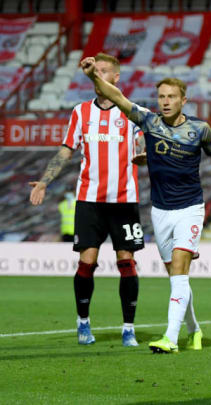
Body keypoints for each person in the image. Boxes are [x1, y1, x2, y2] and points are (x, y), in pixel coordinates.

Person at [80, 56, 211, 354]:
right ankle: (195, 331)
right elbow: (117, 96)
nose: (165, 102)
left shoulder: (200, 129)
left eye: (171, 97)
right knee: (177, 277)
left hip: (190, 208)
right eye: (161, 97)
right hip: (160, 211)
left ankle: (170, 338)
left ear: (183, 100)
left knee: (179, 271)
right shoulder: (149, 122)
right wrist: (93, 78)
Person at [29, 53, 144, 347]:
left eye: (104, 71)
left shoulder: (133, 112)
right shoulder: (80, 112)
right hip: (89, 201)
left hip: (124, 201)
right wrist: (45, 181)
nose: (98, 75)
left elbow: (144, 145)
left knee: (126, 262)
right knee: (87, 262)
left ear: (116, 78)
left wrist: (145, 155)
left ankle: (128, 328)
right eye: (96, 71)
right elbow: (67, 151)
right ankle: (83, 323)